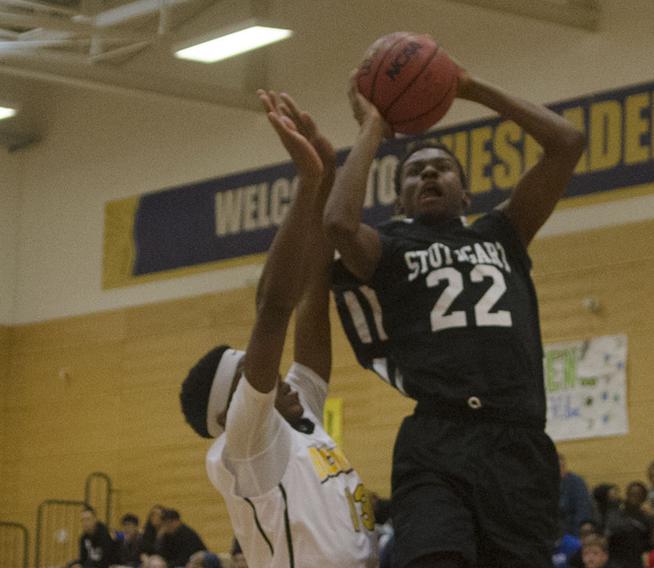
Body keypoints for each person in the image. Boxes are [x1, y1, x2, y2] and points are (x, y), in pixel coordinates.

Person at [324, 58, 585, 567]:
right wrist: (373, 129)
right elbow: (337, 222)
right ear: (399, 197)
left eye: (440, 167)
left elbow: (567, 143)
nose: (426, 173)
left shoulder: (501, 232)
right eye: (413, 171)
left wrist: (469, 87)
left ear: (465, 192)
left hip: (519, 444)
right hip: (437, 439)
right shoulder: (391, 247)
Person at [178, 89, 377, 567]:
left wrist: (329, 177)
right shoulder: (245, 446)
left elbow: (311, 292)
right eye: (250, 373)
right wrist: (307, 184)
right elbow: (273, 310)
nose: (276, 376)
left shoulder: (301, 411)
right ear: (230, 413)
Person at [607, 481, 654, 568]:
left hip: (639, 557)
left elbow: (651, 541)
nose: (635, 496)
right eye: (632, 493)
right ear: (627, 494)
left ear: (643, 497)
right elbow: (611, 532)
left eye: (638, 494)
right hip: (618, 557)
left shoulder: (647, 517)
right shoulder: (616, 512)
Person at [560, 453, 595, 537]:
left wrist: (576, 536)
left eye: (561, 466)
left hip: (571, 530)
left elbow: (582, 510)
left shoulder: (576, 482)